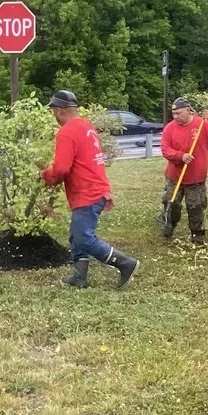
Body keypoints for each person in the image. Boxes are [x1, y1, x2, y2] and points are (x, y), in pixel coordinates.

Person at [40, 89, 139, 289]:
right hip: (95, 189)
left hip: (87, 192)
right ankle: (79, 277)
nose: (54, 116)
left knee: (83, 237)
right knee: (76, 234)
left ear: (59, 111)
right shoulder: (86, 127)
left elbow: (60, 169)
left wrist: (46, 176)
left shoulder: (67, 132)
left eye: (53, 111)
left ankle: (125, 263)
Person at [160, 97, 208, 244]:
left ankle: (197, 234)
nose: (175, 117)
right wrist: (180, 156)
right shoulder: (170, 128)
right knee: (171, 201)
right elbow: (165, 149)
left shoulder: (201, 124)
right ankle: (170, 223)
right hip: (175, 176)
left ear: (189, 111)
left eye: (179, 113)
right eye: (174, 113)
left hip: (196, 176)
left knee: (196, 205)